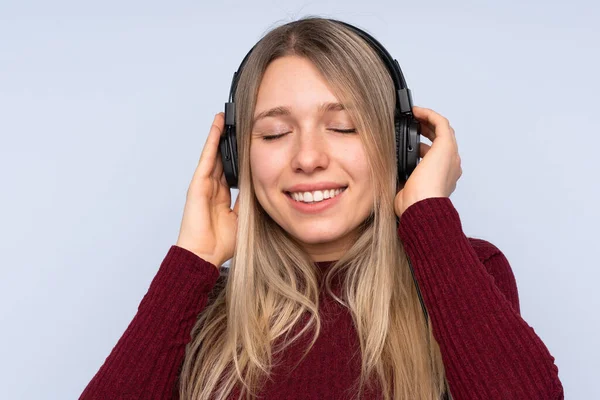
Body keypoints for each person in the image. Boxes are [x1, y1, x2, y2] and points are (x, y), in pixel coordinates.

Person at [79, 16, 563, 400]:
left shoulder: (467, 271)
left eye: (344, 126)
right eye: (274, 133)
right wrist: (191, 262)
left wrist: (429, 215)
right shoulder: (199, 307)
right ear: (235, 159)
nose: (308, 158)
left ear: (399, 146)